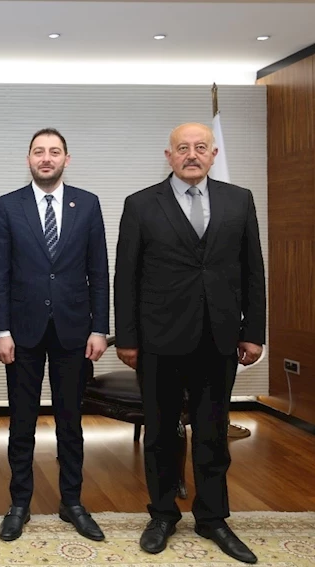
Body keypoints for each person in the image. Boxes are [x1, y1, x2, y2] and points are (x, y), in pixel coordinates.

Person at [114, 123, 265, 564]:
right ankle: (162, 514)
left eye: (201, 147)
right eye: (183, 148)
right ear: (169, 155)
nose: (192, 154)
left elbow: (253, 270)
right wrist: (128, 338)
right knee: (161, 433)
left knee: (213, 433)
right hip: (159, 339)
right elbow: (126, 276)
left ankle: (213, 518)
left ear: (213, 154)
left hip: (219, 337)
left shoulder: (240, 200)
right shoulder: (141, 204)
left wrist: (254, 332)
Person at [0, 128, 109, 542]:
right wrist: (1, 330)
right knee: (21, 422)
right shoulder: (9, 205)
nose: (46, 158)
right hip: (21, 333)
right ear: (28, 159)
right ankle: (19, 503)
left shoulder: (87, 204)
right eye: (38, 151)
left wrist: (100, 328)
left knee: (70, 422)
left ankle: (72, 502)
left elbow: (98, 270)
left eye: (54, 152)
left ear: (66, 160)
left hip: (74, 330)